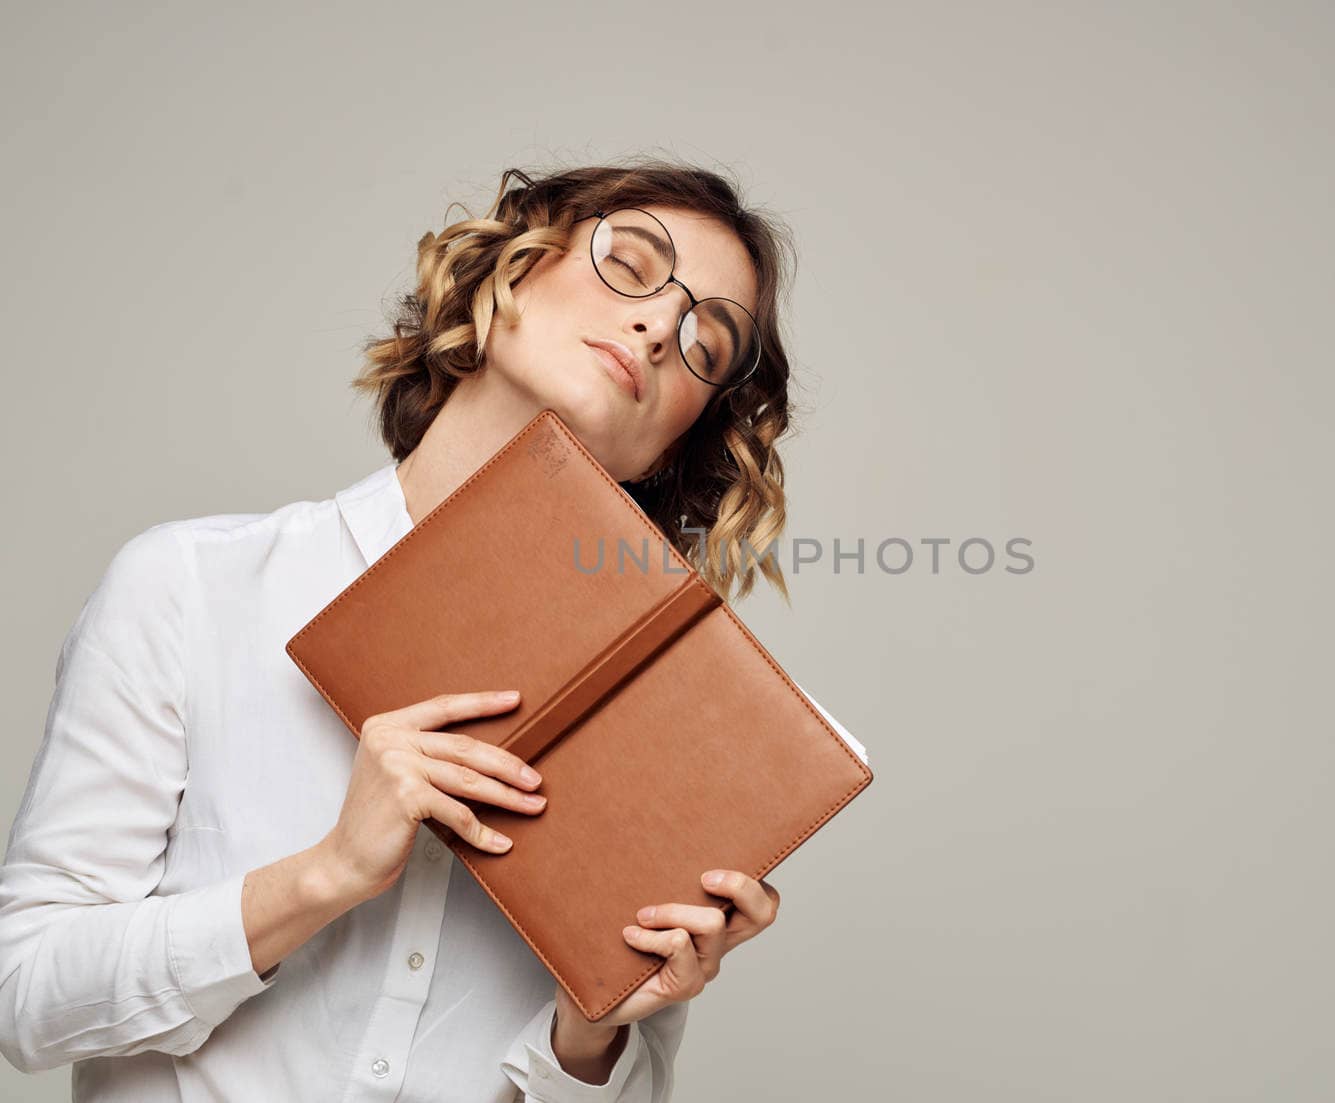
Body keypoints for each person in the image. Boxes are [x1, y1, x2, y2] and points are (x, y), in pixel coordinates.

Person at [0, 160, 869, 1102]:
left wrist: (596, 1025)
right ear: (509, 272)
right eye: (631, 261)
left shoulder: (674, 715)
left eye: (708, 340)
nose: (662, 325)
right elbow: (23, 998)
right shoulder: (193, 587)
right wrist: (325, 875)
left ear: (674, 438)